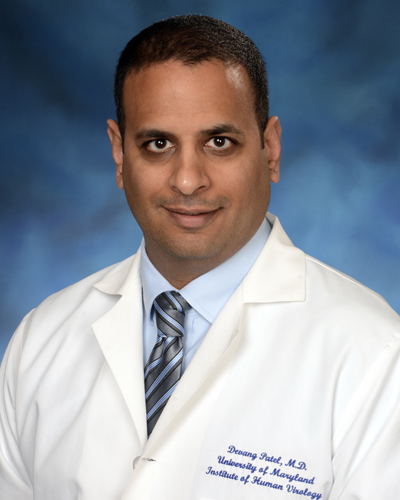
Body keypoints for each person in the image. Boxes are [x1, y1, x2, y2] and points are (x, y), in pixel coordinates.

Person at [1, 14, 399, 500]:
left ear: (270, 150)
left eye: (219, 142)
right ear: (120, 155)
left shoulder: (374, 354)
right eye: (158, 144)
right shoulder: (41, 341)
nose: (188, 180)